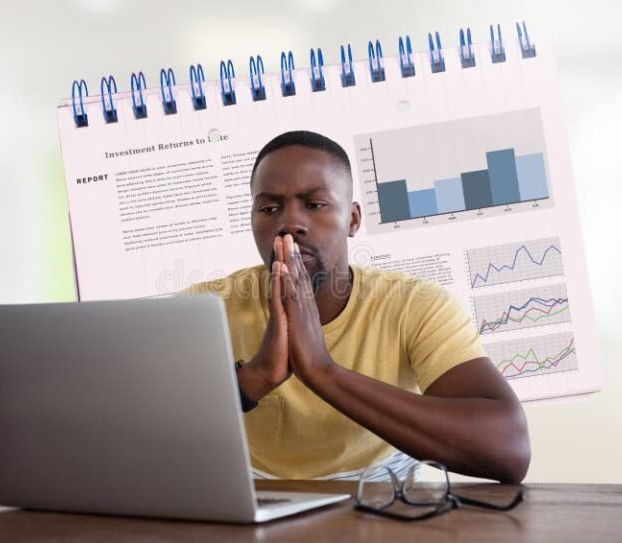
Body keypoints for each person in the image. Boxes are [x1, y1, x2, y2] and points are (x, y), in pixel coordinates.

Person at [186, 130, 530, 483]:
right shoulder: (203, 308)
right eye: (269, 208)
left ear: (352, 220)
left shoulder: (416, 306)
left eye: (315, 204)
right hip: (248, 489)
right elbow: (136, 429)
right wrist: (255, 377)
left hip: (378, 490)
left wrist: (322, 371)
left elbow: (509, 449)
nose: (289, 223)